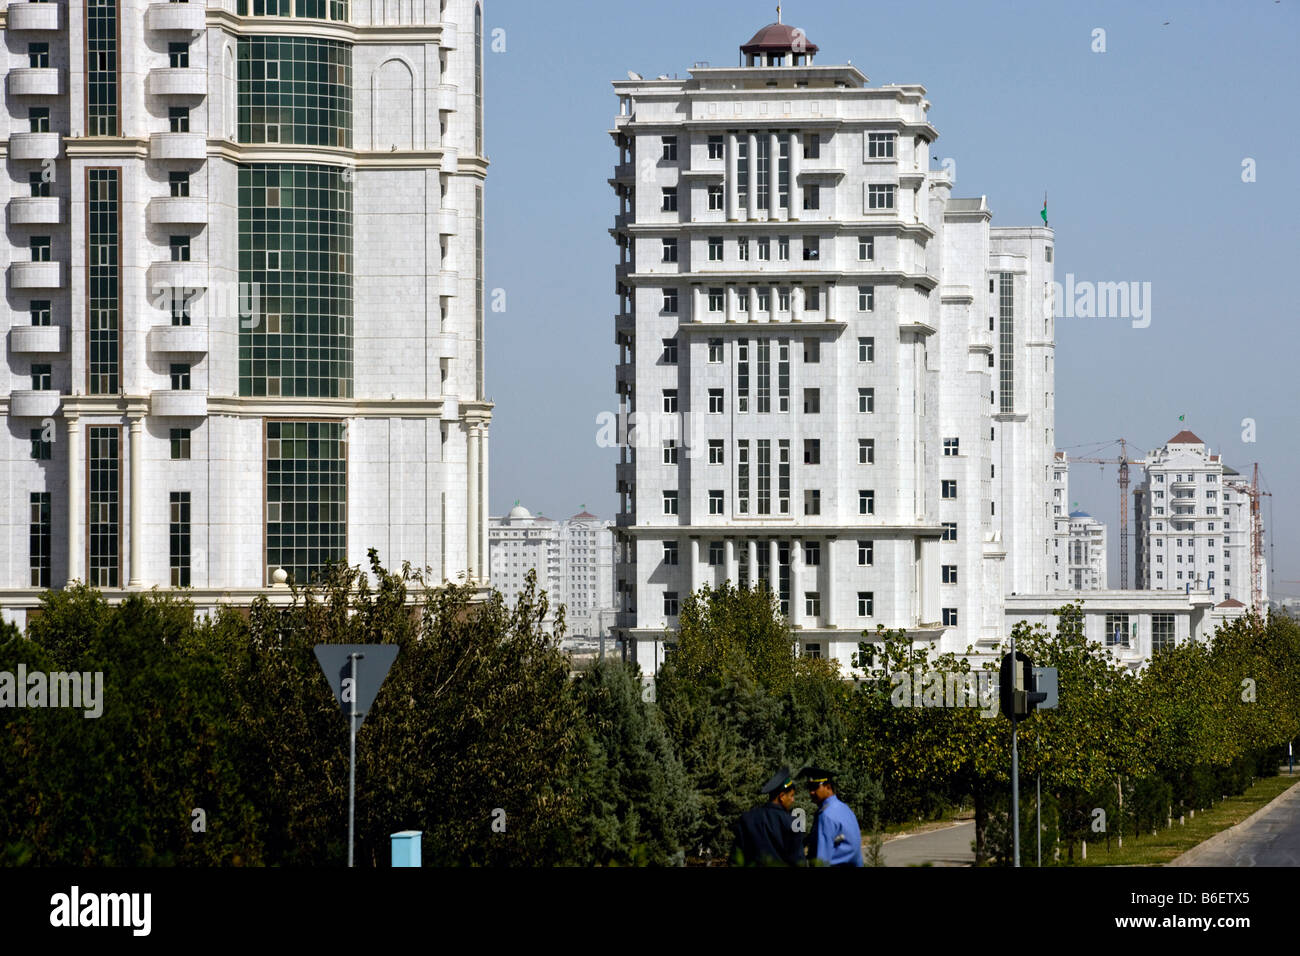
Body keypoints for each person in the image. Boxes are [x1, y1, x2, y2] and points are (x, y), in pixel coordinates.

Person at [732, 767, 805, 866]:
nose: (793, 800)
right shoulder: (793, 823)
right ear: (782, 796)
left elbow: (736, 857)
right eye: (791, 796)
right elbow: (798, 861)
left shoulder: (747, 818)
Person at [802, 766, 863, 867]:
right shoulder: (844, 808)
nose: (811, 792)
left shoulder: (826, 815)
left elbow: (822, 860)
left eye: (815, 787)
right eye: (809, 788)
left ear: (828, 787)